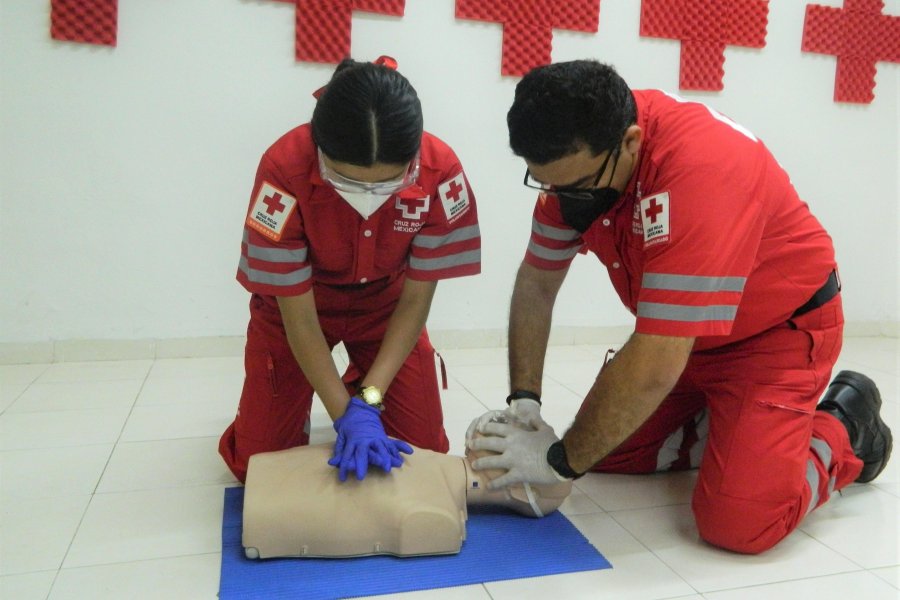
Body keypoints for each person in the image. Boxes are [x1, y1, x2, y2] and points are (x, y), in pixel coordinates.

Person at [468, 60, 892, 555]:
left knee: (738, 524)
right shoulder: (580, 165)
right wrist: (526, 401)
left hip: (776, 337)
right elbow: (537, 283)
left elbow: (653, 363)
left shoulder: (701, 172)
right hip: (686, 343)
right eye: (546, 184)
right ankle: (735, 426)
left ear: (628, 143)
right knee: (605, 449)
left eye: (575, 186)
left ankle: (844, 426)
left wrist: (559, 463)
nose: (562, 200)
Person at [219, 56, 481, 484]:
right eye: (348, 182)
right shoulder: (284, 167)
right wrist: (345, 415)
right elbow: (298, 318)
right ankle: (322, 396)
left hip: (387, 310)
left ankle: (364, 378)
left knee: (425, 453)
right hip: (299, 313)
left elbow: (417, 300)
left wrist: (370, 398)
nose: (369, 196)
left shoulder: (440, 171)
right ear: (321, 150)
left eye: (388, 182)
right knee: (257, 466)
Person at [241, 414, 572, 559]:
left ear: (517, 489)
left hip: (266, 501)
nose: (504, 425)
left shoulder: (437, 516)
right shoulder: (434, 478)